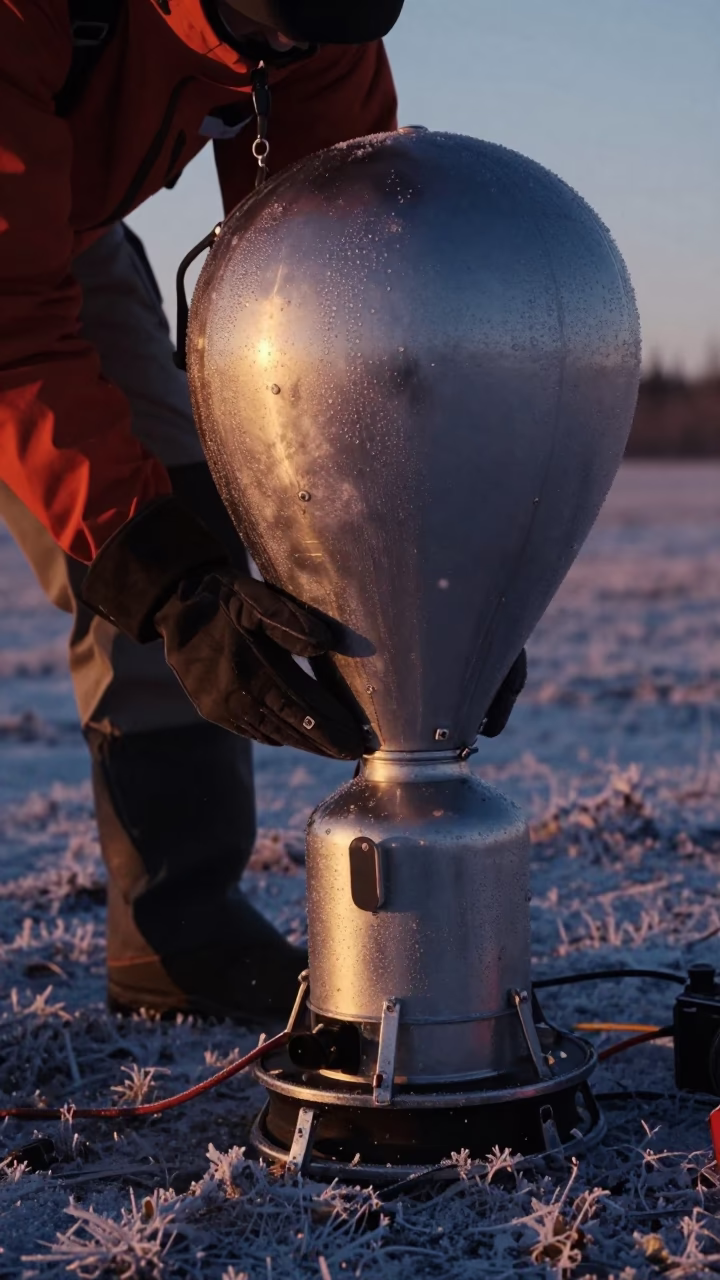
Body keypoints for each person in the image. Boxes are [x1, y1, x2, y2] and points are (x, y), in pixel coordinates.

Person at [0, 0, 525, 1026]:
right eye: (274, 28)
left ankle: (178, 936)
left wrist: (417, 564)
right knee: (151, 563)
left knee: (179, 524)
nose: (291, 53)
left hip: (56, 231)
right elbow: (11, 329)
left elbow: (334, 306)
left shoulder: (323, 32)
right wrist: (164, 583)